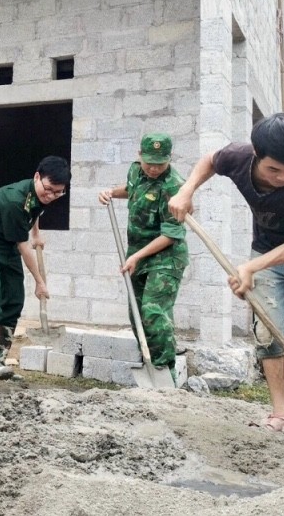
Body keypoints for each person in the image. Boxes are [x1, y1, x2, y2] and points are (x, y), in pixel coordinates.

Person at [168, 113, 284, 428]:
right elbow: (210, 160)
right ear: (256, 154)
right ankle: (280, 413)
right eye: (274, 170)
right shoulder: (238, 157)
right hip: (266, 250)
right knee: (266, 331)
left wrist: (250, 266)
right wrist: (186, 191)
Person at [0, 156, 71, 384]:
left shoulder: (39, 194)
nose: (51, 196)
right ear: (37, 177)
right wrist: (40, 281)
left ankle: (0, 363)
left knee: (14, 299)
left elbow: (33, 212)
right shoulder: (14, 200)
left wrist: (36, 233)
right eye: (48, 189)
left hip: (8, 243)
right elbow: (23, 247)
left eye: (58, 192)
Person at [98, 133, 188, 381]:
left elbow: (170, 234)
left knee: (153, 311)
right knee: (136, 312)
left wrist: (136, 256)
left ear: (169, 158)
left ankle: (164, 373)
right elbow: (132, 190)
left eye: (160, 163)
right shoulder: (136, 170)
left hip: (166, 256)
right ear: (140, 156)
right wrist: (110, 193)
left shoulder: (174, 187)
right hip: (137, 254)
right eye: (149, 162)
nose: (154, 168)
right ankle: (147, 362)